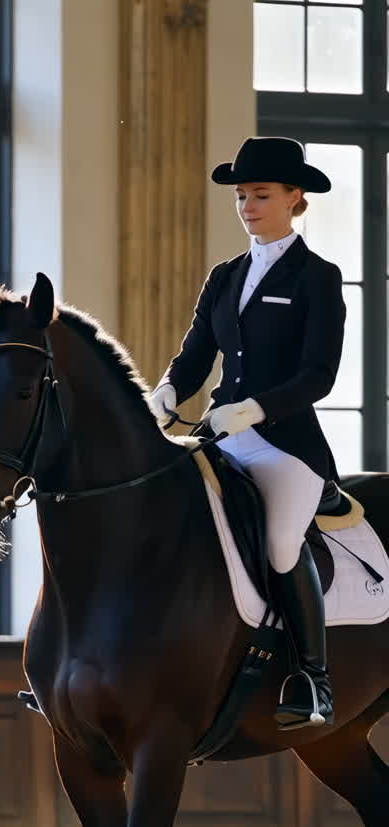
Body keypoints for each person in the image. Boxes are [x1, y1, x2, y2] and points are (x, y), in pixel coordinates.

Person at [149, 136, 346, 730]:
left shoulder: (318, 277)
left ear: (295, 198)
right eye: (241, 196)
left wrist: (256, 408)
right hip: (220, 435)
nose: (248, 206)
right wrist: (165, 392)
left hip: (287, 445)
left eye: (261, 194)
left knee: (282, 544)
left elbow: (320, 375)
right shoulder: (225, 275)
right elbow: (195, 356)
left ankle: (314, 678)